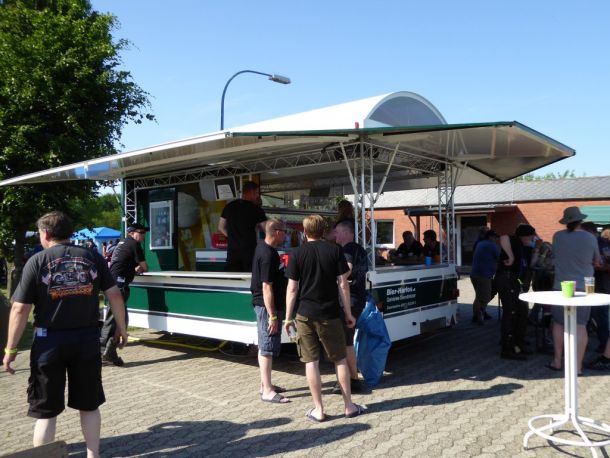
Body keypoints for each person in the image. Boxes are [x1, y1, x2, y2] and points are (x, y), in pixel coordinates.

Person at [3, 211, 127, 458]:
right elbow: (114, 293)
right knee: (89, 404)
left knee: (46, 410)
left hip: (49, 342)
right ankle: (93, 455)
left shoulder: (37, 261)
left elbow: (19, 309)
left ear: (45, 233)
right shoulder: (92, 256)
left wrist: (11, 349)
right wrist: (121, 327)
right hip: (86, 340)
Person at [284, 215, 363, 421]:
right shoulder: (335, 250)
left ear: (305, 231)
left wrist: (287, 317)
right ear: (323, 231)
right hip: (330, 313)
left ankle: (318, 410)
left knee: (311, 361)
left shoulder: (297, 253)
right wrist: (348, 313)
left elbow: (292, 288)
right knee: (339, 359)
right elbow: (343, 284)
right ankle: (349, 406)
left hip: (305, 314)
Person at [547, 207, 601, 374]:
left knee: (558, 323)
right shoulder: (591, 237)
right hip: (585, 286)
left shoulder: (557, 236)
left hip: (561, 286)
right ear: (580, 220)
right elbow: (597, 262)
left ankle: (557, 361)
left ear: (566, 221)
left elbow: (554, 257)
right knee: (580, 325)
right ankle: (577, 367)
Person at [250, 218, 290, 404]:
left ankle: (265, 384)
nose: (286, 235)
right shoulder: (267, 254)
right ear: (276, 232)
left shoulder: (265, 249)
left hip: (267, 306)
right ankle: (267, 391)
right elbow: (266, 287)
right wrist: (272, 315)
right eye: (285, 232)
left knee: (267, 345)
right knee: (267, 346)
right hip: (267, 307)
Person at [100, 223, 149, 366]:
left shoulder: (122, 243)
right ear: (132, 233)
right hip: (118, 286)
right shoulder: (134, 244)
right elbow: (145, 267)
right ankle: (103, 352)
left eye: (145, 233)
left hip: (113, 284)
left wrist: (133, 269)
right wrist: (138, 268)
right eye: (141, 232)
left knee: (120, 320)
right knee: (114, 319)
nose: (144, 235)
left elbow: (122, 263)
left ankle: (109, 353)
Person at [332, 219, 369, 394]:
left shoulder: (348, 249)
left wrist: (331, 277)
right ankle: (352, 379)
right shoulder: (359, 249)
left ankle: (352, 380)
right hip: (356, 299)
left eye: (337, 231)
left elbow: (346, 270)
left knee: (345, 342)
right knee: (347, 341)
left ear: (347, 233)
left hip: (350, 300)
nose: (335, 234)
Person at [495, 224, 537, 360]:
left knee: (522, 312)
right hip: (506, 279)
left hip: (515, 282)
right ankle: (507, 349)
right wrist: (511, 257)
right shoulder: (514, 241)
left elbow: (531, 264)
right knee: (511, 313)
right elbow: (503, 237)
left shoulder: (525, 248)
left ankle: (518, 343)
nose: (533, 239)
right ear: (525, 236)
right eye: (531, 236)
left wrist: (537, 251)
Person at [218, 181, 267, 272]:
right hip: (249, 252)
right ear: (252, 192)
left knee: (233, 278)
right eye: (257, 193)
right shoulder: (256, 209)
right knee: (249, 277)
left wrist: (232, 237)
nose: (257, 196)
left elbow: (221, 227)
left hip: (232, 252)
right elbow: (267, 229)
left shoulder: (229, 206)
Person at [581, 222, 609, 353]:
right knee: (588, 312)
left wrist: (597, 265)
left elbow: (605, 263)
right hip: (590, 281)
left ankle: (603, 345)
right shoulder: (597, 242)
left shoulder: (602, 243)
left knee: (599, 313)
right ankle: (584, 343)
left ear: (590, 232)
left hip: (599, 282)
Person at [469, 229, 500, 324]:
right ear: (490, 237)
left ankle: (476, 315)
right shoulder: (491, 245)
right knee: (485, 297)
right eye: (495, 237)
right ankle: (479, 315)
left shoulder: (480, 243)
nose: (496, 239)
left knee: (479, 296)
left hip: (474, 274)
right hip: (483, 275)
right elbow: (500, 257)